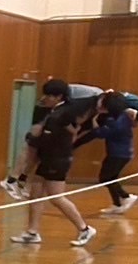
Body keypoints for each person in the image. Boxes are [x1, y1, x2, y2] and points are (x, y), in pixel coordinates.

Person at [2, 79, 138, 200]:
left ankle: (22, 181)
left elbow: (81, 126)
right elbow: (65, 101)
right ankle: (11, 180)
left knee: (42, 150)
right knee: (32, 143)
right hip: (51, 108)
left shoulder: (99, 107)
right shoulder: (92, 100)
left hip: (62, 111)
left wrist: (72, 137)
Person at [10, 93, 100, 248]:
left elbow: (48, 139)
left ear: (58, 97)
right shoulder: (56, 114)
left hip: (57, 161)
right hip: (48, 158)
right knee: (35, 196)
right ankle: (32, 232)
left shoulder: (62, 117)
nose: (44, 98)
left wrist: (33, 139)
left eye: (48, 95)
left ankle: (85, 229)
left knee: (56, 197)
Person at [74, 94, 138, 214]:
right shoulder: (122, 116)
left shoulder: (116, 123)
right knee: (111, 178)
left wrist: (94, 121)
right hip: (121, 153)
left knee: (105, 178)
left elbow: (100, 133)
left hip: (118, 155)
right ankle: (117, 204)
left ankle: (126, 197)